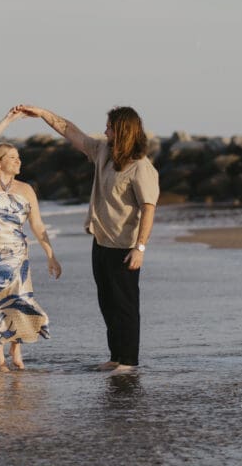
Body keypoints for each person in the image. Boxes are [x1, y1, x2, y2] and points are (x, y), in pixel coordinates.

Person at [20, 104, 158, 374]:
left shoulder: (141, 167)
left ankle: (128, 361)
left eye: (109, 127)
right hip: (101, 241)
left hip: (125, 246)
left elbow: (148, 208)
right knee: (107, 302)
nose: (105, 131)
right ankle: (116, 356)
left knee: (125, 305)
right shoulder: (103, 151)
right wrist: (42, 114)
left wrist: (140, 248)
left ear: (122, 131)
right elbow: (71, 132)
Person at [0, 106, 62, 372]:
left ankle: (17, 354)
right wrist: (9, 119)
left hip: (16, 256)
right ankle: (0, 360)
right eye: (13, 157)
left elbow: (38, 225)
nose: (19, 161)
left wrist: (51, 254)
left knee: (18, 303)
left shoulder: (26, 190)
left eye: (19, 157)